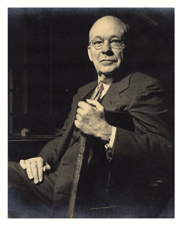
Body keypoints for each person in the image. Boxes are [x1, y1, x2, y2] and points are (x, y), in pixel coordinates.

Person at [8, 15, 174, 218]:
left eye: (115, 41)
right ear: (89, 53)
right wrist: (41, 159)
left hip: (91, 195)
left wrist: (105, 131)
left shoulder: (145, 86)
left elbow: (165, 151)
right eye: (98, 42)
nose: (106, 49)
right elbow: (63, 136)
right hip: (56, 181)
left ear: (126, 47)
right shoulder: (84, 91)